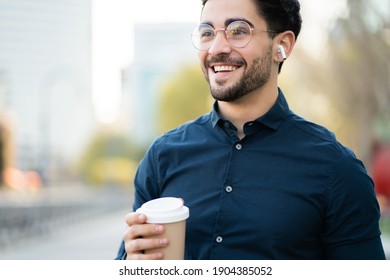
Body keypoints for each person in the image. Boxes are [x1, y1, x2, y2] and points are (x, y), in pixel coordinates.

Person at [116, 0, 386, 260]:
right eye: (207, 33)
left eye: (238, 31)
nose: (216, 48)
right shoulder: (162, 157)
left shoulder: (337, 169)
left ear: (281, 45)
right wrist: (131, 264)